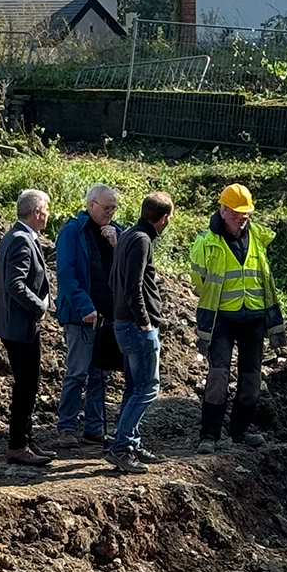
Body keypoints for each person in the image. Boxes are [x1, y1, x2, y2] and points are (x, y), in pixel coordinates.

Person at [188, 184, 284, 453]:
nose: (243, 218)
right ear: (223, 210)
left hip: (253, 318)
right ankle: (209, 435)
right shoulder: (206, 242)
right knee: (218, 376)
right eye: (238, 213)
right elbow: (200, 280)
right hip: (221, 320)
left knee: (252, 377)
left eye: (246, 213)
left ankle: (240, 432)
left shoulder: (257, 237)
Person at [53, 184, 123, 449]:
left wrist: (116, 245)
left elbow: (125, 268)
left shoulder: (115, 232)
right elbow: (66, 275)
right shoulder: (72, 231)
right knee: (77, 372)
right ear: (91, 205)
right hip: (81, 316)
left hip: (107, 316)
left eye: (113, 208)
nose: (110, 212)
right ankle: (67, 427)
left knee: (100, 374)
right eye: (107, 208)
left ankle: (94, 428)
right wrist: (84, 306)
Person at [107, 191, 173, 475]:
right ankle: (121, 447)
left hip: (124, 322)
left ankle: (130, 442)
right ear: (164, 218)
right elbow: (132, 286)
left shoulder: (128, 236)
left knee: (134, 387)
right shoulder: (142, 240)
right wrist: (145, 321)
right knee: (148, 387)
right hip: (136, 326)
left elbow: (114, 280)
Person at [0, 190, 54, 467]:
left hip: (17, 325)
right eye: (47, 210)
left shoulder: (19, 236)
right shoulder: (21, 240)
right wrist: (38, 307)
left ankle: (25, 440)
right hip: (20, 326)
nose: (49, 215)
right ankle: (18, 444)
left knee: (28, 384)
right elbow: (15, 284)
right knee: (26, 385)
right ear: (37, 212)